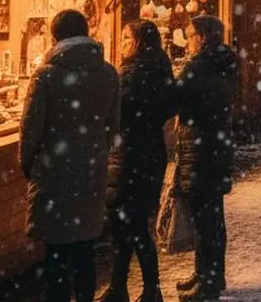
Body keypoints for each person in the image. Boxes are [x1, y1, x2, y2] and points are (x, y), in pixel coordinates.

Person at [20, 10, 120, 302]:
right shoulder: (108, 73)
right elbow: (113, 128)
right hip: (91, 171)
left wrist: (29, 165)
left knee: (56, 252)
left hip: (53, 173)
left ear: (54, 36)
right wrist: (96, 152)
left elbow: (31, 129)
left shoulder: (46, 75)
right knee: (85, 248)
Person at [102, 20, 176, 302]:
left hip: (129, 154)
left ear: (138, 42)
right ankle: (123, 287)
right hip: (149, 152)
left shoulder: (130, 74)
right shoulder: (161, 69)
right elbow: (169, 106)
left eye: (125, 38)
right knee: (130, 223)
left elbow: (116, 111)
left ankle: (148, 289)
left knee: (128, 225)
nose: (121, 44)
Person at [174, 16, 240, 302]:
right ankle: (208, 273)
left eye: (190, 36)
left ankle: (208, 281)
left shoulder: (198, 67)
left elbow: (179, 99)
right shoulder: (226, 63)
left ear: (202, 37)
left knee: (205, 217)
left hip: (200, 148)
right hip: (217, 146)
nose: (188, 42)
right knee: (212, 215)